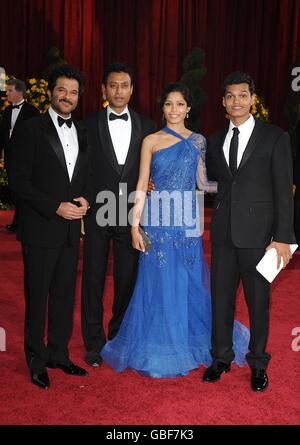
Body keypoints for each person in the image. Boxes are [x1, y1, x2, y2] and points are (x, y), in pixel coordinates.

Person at [101, 83, 250, 378]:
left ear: (188, 108)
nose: (174, 110)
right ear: (162, 108)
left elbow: (204, 184)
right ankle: (159, 344)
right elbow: (142, 184)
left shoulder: (198, 141)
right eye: (169, 104)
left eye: (180, 104)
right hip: (156, 221)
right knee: (155, 283)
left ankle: (186, 340)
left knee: (187, 283)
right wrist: (134, 225)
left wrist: (237, 186)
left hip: (186, 223)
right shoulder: (151, 141)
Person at [203, 71, 296, 391]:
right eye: (230, 96)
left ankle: (258, 363)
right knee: (221, 300)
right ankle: (221, 358)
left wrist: (283, 237)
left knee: (258, 303)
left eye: (243, 95)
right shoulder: (214, 140)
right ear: (223, 102)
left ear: (252, 99)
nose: (236, 101)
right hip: (224, 235)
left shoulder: (275, 137)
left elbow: (285, 191)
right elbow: (210, 184)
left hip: (261, 239)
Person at [9, 65, 92, 389]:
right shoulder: (30, 129)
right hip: (41, 228)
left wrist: (85, 201)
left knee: (63, 296)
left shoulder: (83, 132)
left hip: (71, 231)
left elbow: (82, 176)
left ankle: (59, 353)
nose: (67, 97)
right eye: (62, 90)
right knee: (37, 297)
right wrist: (54, 206)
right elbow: (18, 181)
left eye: (73, 92)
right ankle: (36, 358)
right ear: (49, 92)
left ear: (78, 97)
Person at [81, 63, 156, 367]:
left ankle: (118, 335)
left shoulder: (148, 126)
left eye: (124, 85)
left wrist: (153, 183)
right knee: (92, 281)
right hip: (98, 213)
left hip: (131, 217)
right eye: (113, 85)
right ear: (104, 89)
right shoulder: (86, 125)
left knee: (127, 279)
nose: (119, 91)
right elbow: (81, 170)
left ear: (132, 89)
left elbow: (156, 167)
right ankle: (94, 343)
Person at [0, 79, 39, 232]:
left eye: (9, 91)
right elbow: (3, 134)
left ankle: (24, 224)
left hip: (26, 160)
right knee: (15, 191)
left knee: (24, 192)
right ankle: (17, 223)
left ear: (19, 92)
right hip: (10, 159)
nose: (7, 94)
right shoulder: (8, 110)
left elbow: (36, 137)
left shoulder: (32, 111)